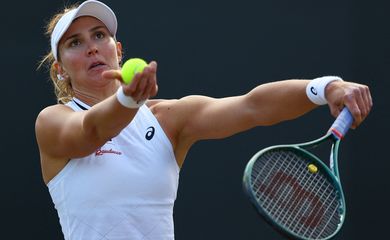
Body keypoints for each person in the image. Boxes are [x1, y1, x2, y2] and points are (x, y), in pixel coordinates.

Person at [35, 0, 372, 239]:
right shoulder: (53, 122)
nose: (92, 47)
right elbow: (92, 131)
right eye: (75, 43)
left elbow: (252, 106)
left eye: (99, 35)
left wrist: (325, 87)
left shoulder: (167, 119)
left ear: (118, 50)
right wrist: (127, 99)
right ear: (60, 70)